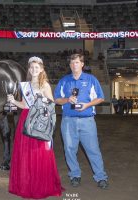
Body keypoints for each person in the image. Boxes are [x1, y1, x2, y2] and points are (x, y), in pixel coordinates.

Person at [8, 56, 64, 199]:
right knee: (25, 154)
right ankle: (26, 184)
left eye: (37, 67)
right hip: (25, 119)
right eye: (31, 67)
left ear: (41, 69)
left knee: (39, 153)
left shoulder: (44, 84)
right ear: (29, 69)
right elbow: (24, 105)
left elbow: (51, 104)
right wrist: (13, 101)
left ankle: (40, 185)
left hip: (38, 121)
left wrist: (41, 100)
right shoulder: (25, 85)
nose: (34, 70)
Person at [54, 53, 108, 189]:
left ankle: (101, 177)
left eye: (77, 62)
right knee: (69, 150)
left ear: (82, 64)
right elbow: (56, 99)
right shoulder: (64, 80)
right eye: (72, 63)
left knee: (93, 150)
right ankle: (75, 175)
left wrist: (87, 105)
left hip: (87, 121)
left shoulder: (91, 79)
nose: (74, 65)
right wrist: (67, 100)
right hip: (68, 121)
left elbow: (100, 98)